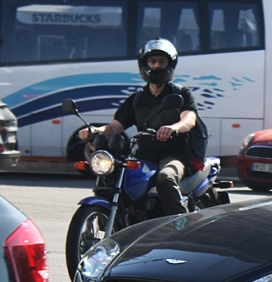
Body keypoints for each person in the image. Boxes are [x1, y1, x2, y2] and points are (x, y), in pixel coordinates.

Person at [79, 38, 198, 216]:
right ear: (144, 64)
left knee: (165, 178)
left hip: (174, 155)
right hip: (143, 157)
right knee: (117, 176)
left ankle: (179, 224)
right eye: (152, 61)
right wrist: (94, 130)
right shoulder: (137, 99)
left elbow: (189, 119)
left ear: (170, 64)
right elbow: (114, 127)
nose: (156, 66)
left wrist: (174, 127)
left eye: (161, 61)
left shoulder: (181, 94)